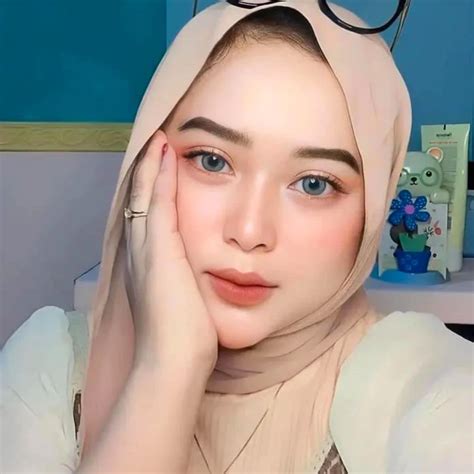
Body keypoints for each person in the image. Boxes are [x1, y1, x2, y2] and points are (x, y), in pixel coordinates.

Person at [1, 1, 472, 473]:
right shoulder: (51, 365)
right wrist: (167, 370)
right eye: (212, 161)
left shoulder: (433, 391)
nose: (249, 232)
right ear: (146, 166)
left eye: (314, 184)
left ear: (373, 208)